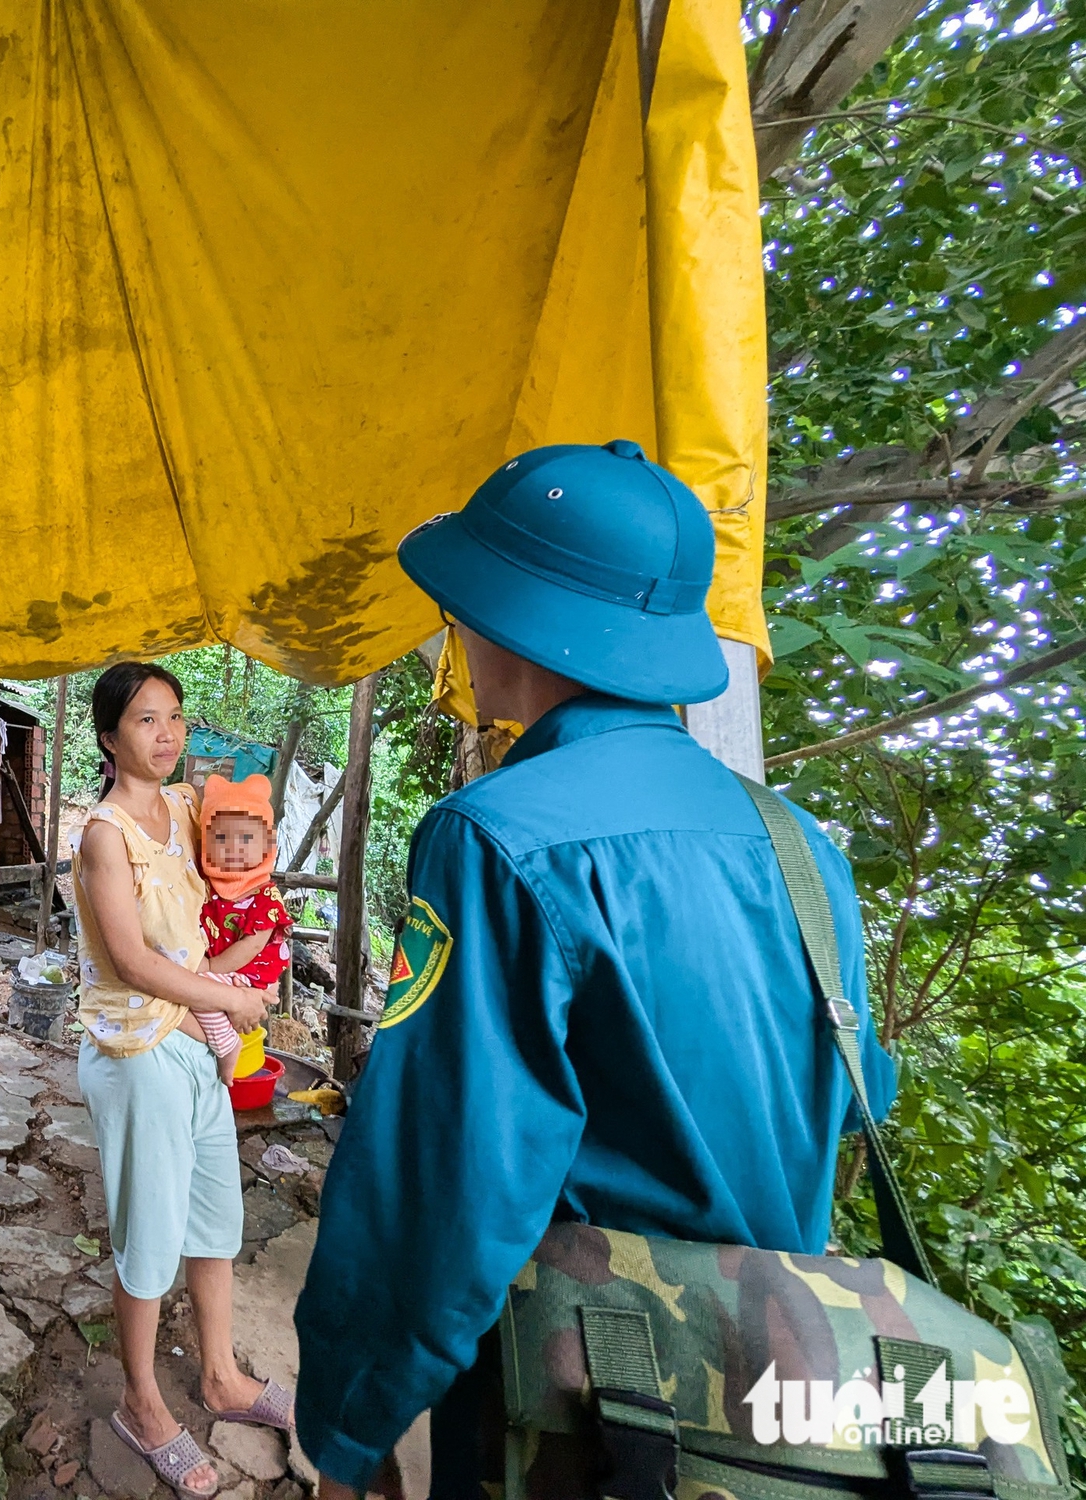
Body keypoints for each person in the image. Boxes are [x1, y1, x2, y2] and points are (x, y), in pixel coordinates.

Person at [294, 440, 897, 1499]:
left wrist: (350, 1423)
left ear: (504, 616)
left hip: (584, 1389)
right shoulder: (802, 850)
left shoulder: (493, 837)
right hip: (771, 1395)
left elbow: (441, 1173)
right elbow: (854, 1096)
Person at [73, 662, 295, 1499]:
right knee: (148, 1235)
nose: (166, 735)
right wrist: (230, 995)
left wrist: (254, 951)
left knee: (213, 1219)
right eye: (144, 721)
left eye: (174, 719)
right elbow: (130, 960)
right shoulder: (106, 835)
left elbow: (240, 860)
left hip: (199, 1047)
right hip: (138, 1053)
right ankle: (140, 1400)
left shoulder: (180, 810)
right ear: (108, 737)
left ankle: (220, 1376)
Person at [192, 772, 295, 1082]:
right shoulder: (204, 885)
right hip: (225, 971)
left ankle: (226, 1044)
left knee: (193, 990)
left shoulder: (264, 896)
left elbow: (249, 946)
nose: (234, 847)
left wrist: (209, 967)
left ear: (266, 843)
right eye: (221, 838)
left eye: (246, 839)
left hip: (247, 971)